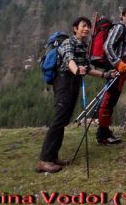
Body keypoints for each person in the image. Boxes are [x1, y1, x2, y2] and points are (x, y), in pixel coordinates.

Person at [37, 16, 113, 173]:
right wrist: (77, 70)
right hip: (64, 81)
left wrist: (104, 75)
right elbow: (69, 59)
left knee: (63, 120)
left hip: (74, 82)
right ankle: (44, 160)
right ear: (75, 28)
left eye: (88, 26)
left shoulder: (83, 45)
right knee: (59, 119)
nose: (86, 29)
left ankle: (53, 157)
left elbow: (87, 67)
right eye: (83, 26)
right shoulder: (68, 42)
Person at [97, 5, 126, 144]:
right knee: (109, 99)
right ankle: (102, 134)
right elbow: (107, 46)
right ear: (123, 16)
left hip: (121, 68)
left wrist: (125, 67)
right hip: (115, 69)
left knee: (112, 99)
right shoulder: (120, 28)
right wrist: (118, 63)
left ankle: (105, 131)